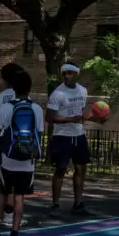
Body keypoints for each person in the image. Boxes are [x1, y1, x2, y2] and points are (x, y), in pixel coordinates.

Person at [0, 70, 42, 236]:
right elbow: (39, 134)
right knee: (19, 197)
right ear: (29, 88)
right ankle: (14, 235)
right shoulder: (37, 109)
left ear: (13, 88)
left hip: (8, 158)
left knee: (2, 193)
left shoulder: (6, 108)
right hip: (27, 162)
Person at [46, 63, 98, 216]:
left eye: (70, 73)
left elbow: (82, 112)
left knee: (81, 169)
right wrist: (71, 119)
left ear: (77, 74)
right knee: (61, 169)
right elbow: (49, 117)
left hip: (79, 135)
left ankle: (78, 203)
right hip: (62, 136)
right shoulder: (58, 94)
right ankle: (55, 204)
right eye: (64, 74)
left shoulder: (82, 90)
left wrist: (96, 118)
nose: (67, 76)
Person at [0, 63, 24, 225]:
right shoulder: (22, 95)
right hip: (18, 141)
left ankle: (1, 215)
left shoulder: (0, 98)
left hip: (2, 140)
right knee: (16, 180)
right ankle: (10, 214)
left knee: (2, 180)